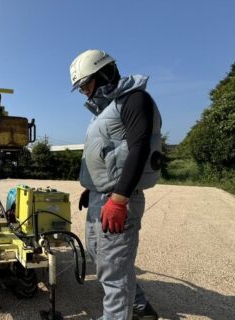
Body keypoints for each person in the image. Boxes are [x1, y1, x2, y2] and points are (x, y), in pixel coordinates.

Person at [69, 49, 163, 320]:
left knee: (114, 271)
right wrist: (93, 186)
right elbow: (107, 153)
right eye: (81, 88)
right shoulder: (105, 111)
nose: (85, 92)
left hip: (119, 199)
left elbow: (139, 147)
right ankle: (141, 307)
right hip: (102, 195)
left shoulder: (134, 99)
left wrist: (119, 198)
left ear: (104, 74)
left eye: (86, 84)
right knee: (103, 259)